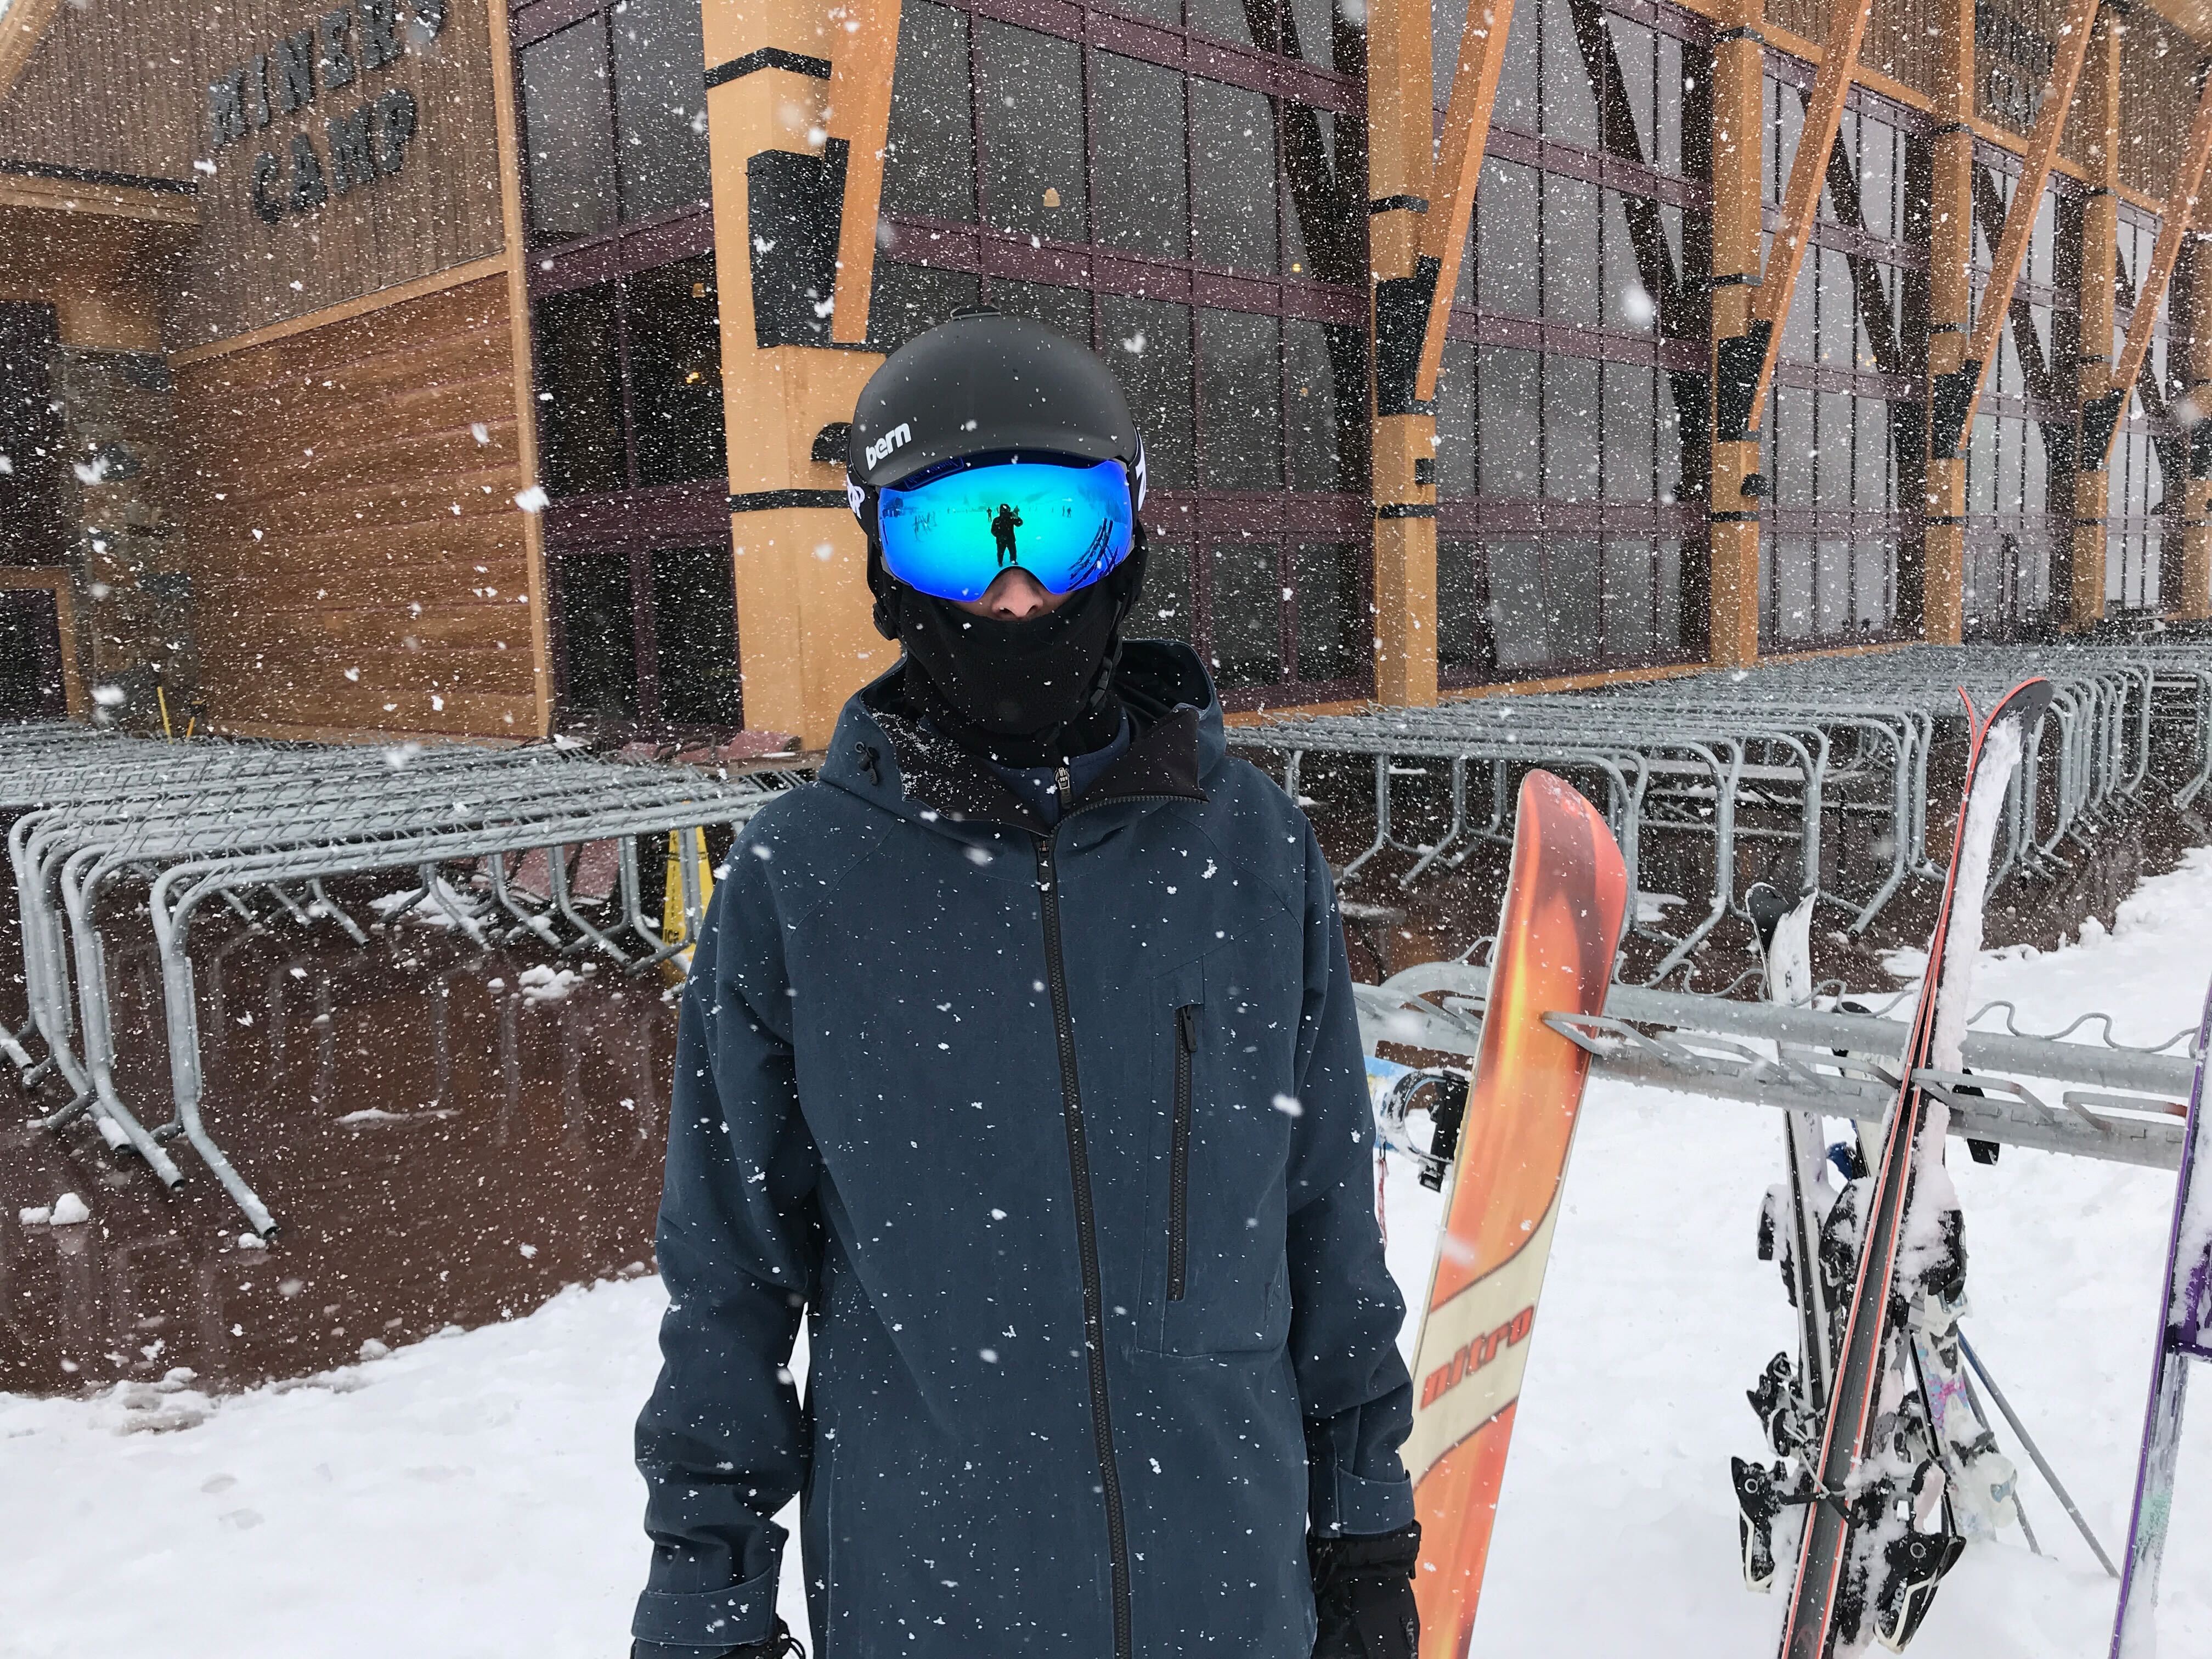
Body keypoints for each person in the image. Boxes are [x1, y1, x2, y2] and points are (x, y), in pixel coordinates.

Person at [630, 312, 1419, 1659]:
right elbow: (730, 1283)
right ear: (884, 566)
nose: (1013, 599)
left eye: (1058, 534)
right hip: (936, 1599)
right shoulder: (801, 882)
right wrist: (707, 1597)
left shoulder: (1249, 851)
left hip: (1227, 1592)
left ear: (1128, 543)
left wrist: (1363, 1527)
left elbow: (1326, 1220)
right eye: (956, 541)